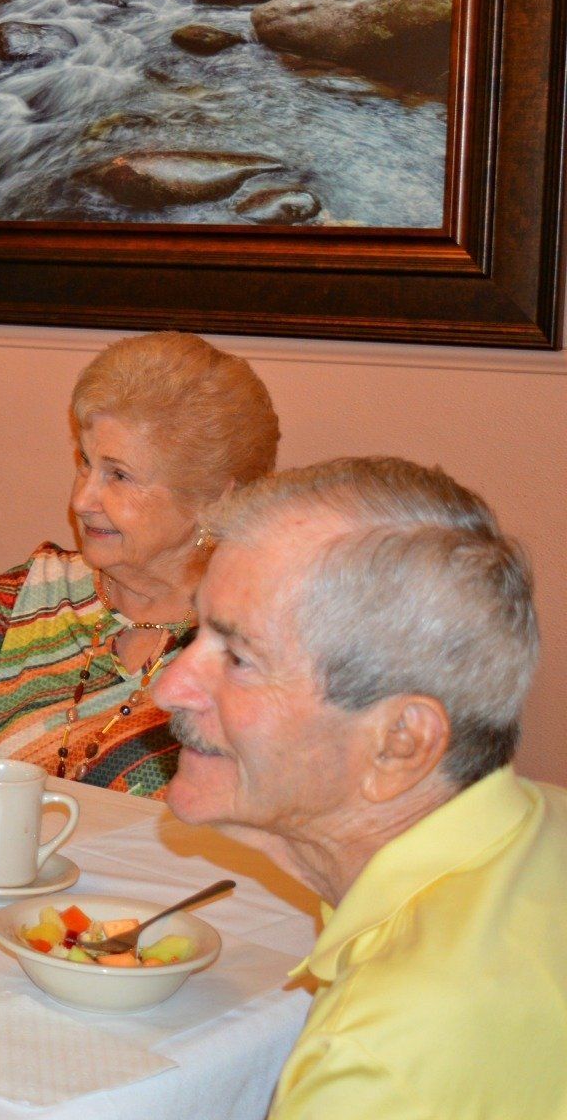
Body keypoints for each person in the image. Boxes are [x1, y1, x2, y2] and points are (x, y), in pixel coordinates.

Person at [153, 457, 566, 1116]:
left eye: (239, 658)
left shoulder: (378, 1059)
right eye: (193, 635)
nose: (167, 687)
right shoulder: (547, 822)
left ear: (400, 744)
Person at [0, 332, 279, 797]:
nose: (81, 500)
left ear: (215, 499)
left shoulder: (263, 643)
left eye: (119, 476)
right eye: (85, 463)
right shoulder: (43, 592)